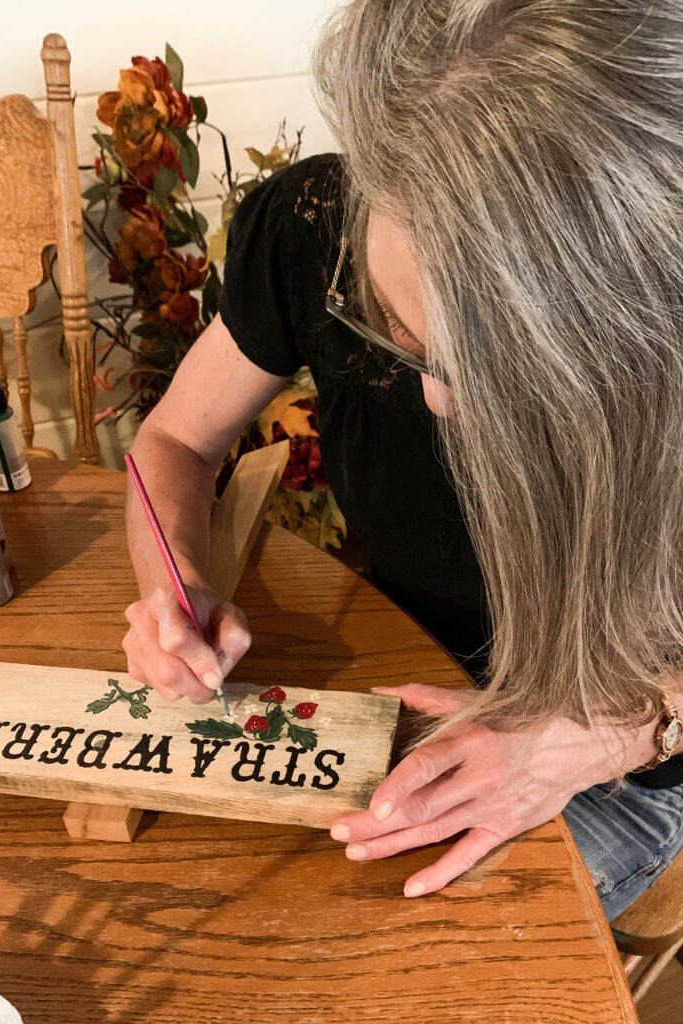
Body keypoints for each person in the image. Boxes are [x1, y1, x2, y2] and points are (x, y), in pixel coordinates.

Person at [122, 0, 683, 920]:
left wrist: (621, 733)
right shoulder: (320, 227)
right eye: (395, 329)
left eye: (503, 373)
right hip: (402, 672)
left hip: (631, 751)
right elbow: (173, 442)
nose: (437, 399)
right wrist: (172, 588)